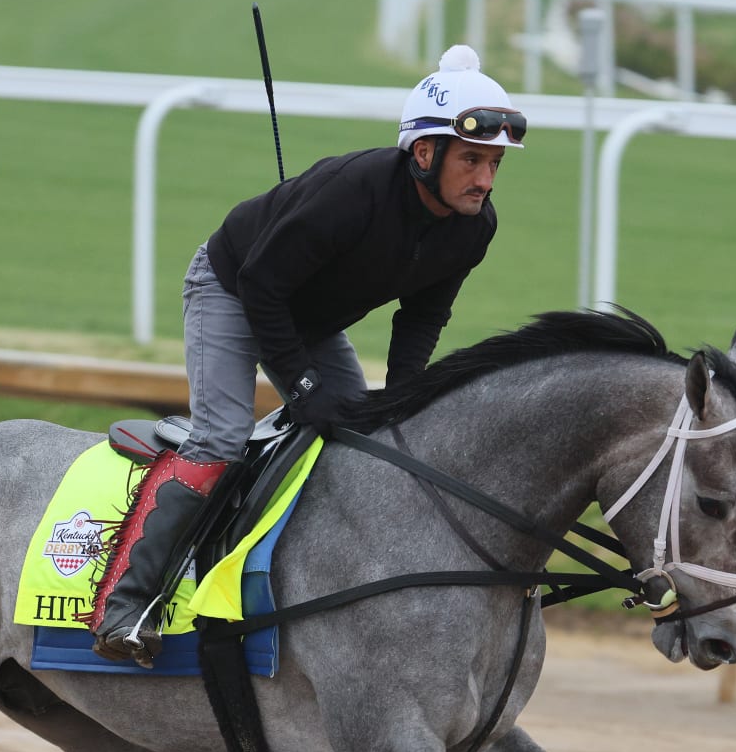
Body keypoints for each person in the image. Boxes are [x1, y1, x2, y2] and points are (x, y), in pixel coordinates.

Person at [88, 44, 526, 666]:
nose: (484, 180)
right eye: (472, 161)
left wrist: (404, 404)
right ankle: (125, 609)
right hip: (235, 287)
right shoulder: (355, 192)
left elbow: (422, 317)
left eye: (494, 164)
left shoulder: (473, 229)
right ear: (424, 154)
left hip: (307, 317)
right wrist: (301, 387)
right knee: (222, 437)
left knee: (365, 438)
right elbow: (263, 286)